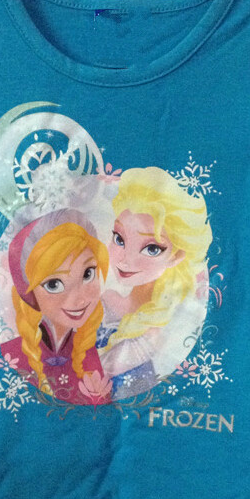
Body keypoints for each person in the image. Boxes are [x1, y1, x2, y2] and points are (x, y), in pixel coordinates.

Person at [98, 166, 213, 399]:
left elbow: (97, 373)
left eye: (152, 249)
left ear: (176, 256)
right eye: (119, 239)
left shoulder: (157, 330)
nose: (126, 260)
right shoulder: (106, 300)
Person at [1, 208, 112, 405]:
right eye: (53, 284)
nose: (79, 299)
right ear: (29, 292)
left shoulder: (89, 352)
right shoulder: (11, 356)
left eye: (88, 274)